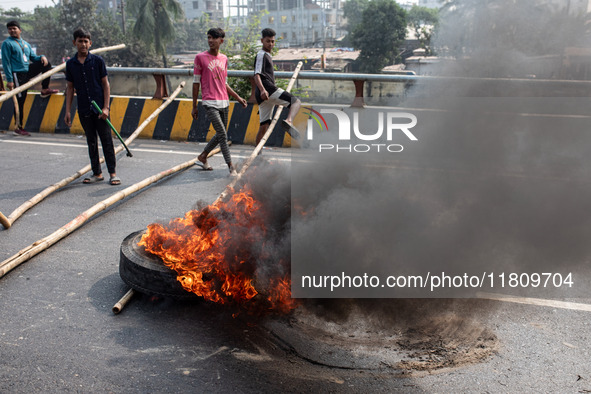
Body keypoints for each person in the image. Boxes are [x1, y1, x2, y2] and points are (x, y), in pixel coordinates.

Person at [64, 28, 120, 186]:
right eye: (80, 41)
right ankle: (97, 173)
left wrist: (106, 108)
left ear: (90, 43)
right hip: (83, 109)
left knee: (106, 141)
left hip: (100, 110)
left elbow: (105, 85)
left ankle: (113, 173)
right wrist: (68, 111)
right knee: (91, 142)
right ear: (74, 43)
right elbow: (69, 88)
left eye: (85, 41)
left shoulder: (97, 61)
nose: (83, 44)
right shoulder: (71, 64)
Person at [193, 27, 247, 176]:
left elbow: (225, 83)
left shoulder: (224, 59)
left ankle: (203, 156)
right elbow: (195, 83)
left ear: (221, 41)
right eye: (209, 37)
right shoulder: (200, 58)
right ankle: (231, 167)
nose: (210, 41)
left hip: (224, 101)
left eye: (214, 38)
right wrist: (194, 106)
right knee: (223, 134)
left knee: (220, 134)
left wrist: (238, 97)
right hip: (209, 102)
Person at [1, 20, 59, 136]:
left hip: (27, 72)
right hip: (17, 75)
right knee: (20, 101)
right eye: (10, 29)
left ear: (20, 30)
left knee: (46, 64)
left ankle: (45, 88)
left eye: (14, 28)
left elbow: (33, 57)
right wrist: (10, 80)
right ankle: (18, 127)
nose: (12, 30)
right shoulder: (7, 44)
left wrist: (42, 56)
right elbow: (6, 62)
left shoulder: (25, 44)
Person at [253, 28, 301, 146]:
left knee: (264, 125)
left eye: (272, 41)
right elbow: (256, 74)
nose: (270, 44)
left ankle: (257, 155)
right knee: (295, 102)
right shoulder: (261, 55)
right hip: (267, 90)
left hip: (265, 93)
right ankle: (289, 121)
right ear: (262, 41)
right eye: (268, 41)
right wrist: (263, 90)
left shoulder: (267, 55)